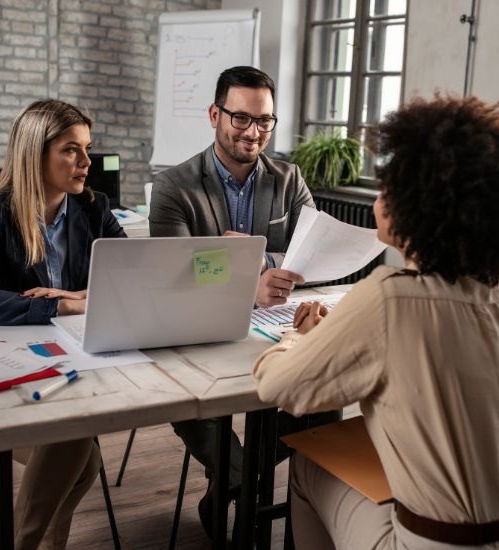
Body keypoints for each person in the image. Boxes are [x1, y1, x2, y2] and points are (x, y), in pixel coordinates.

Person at [253, 95, 499, 549]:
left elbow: (277, 389)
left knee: (308, 464)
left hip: (445, 544)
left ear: (415, 203)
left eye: (386, 187)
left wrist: (297, 339)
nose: (379, 198)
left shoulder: (389, 295)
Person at [149, 65, 333, 536]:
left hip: (273, 329)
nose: (254, 132)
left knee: (322, 396)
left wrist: (253, 258)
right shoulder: (174, 186)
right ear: (215, 114)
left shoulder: (289, 180)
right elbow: (174, 269)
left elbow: (313, 252)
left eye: (265, 121)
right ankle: (241, 483)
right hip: (197, 328)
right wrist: (243, 279)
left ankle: (233, 486)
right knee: (186, 396)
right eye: (241, 119)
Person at [0, 98, 126, 549]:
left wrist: (72, 297)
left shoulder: (94, 208)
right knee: (76, 443)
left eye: (87, 148)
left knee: (79, 453)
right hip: (10, 370)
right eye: (71, 149)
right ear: (36, 154)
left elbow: (133, 277)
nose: (86, 162)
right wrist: (69, 306)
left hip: (76, 364)